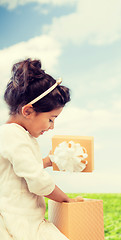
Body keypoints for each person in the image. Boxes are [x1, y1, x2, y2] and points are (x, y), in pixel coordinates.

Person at [0, 58, 83, 239]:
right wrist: (66, 199)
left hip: (24, 219)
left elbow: (22, 169)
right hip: (20, 223)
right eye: (51, 119)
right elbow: (37, 180)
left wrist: (47, 160)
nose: (52, 127)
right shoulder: (12, 135)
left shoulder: (17, 135)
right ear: (28, 111)